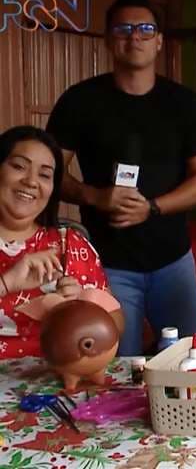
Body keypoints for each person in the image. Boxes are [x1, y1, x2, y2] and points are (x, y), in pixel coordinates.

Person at [46, 0, 196, 355]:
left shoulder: (183, 103)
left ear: (159, 41)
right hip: (107, 264)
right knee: (114, 365)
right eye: (123, 29)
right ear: (109, 40)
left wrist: (152, 207)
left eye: (145, 29)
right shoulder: (80, 101)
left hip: (173, 260)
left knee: (189, 363)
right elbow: (48, 171)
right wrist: (94, 196)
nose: (135, 36)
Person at [0, 126, 117, 358]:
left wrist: (82, 307)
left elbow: (116, 324)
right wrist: (7, 282)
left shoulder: (70, 244)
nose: (31, 182)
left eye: (44, 175)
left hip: (55, 374)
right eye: (19, 166)